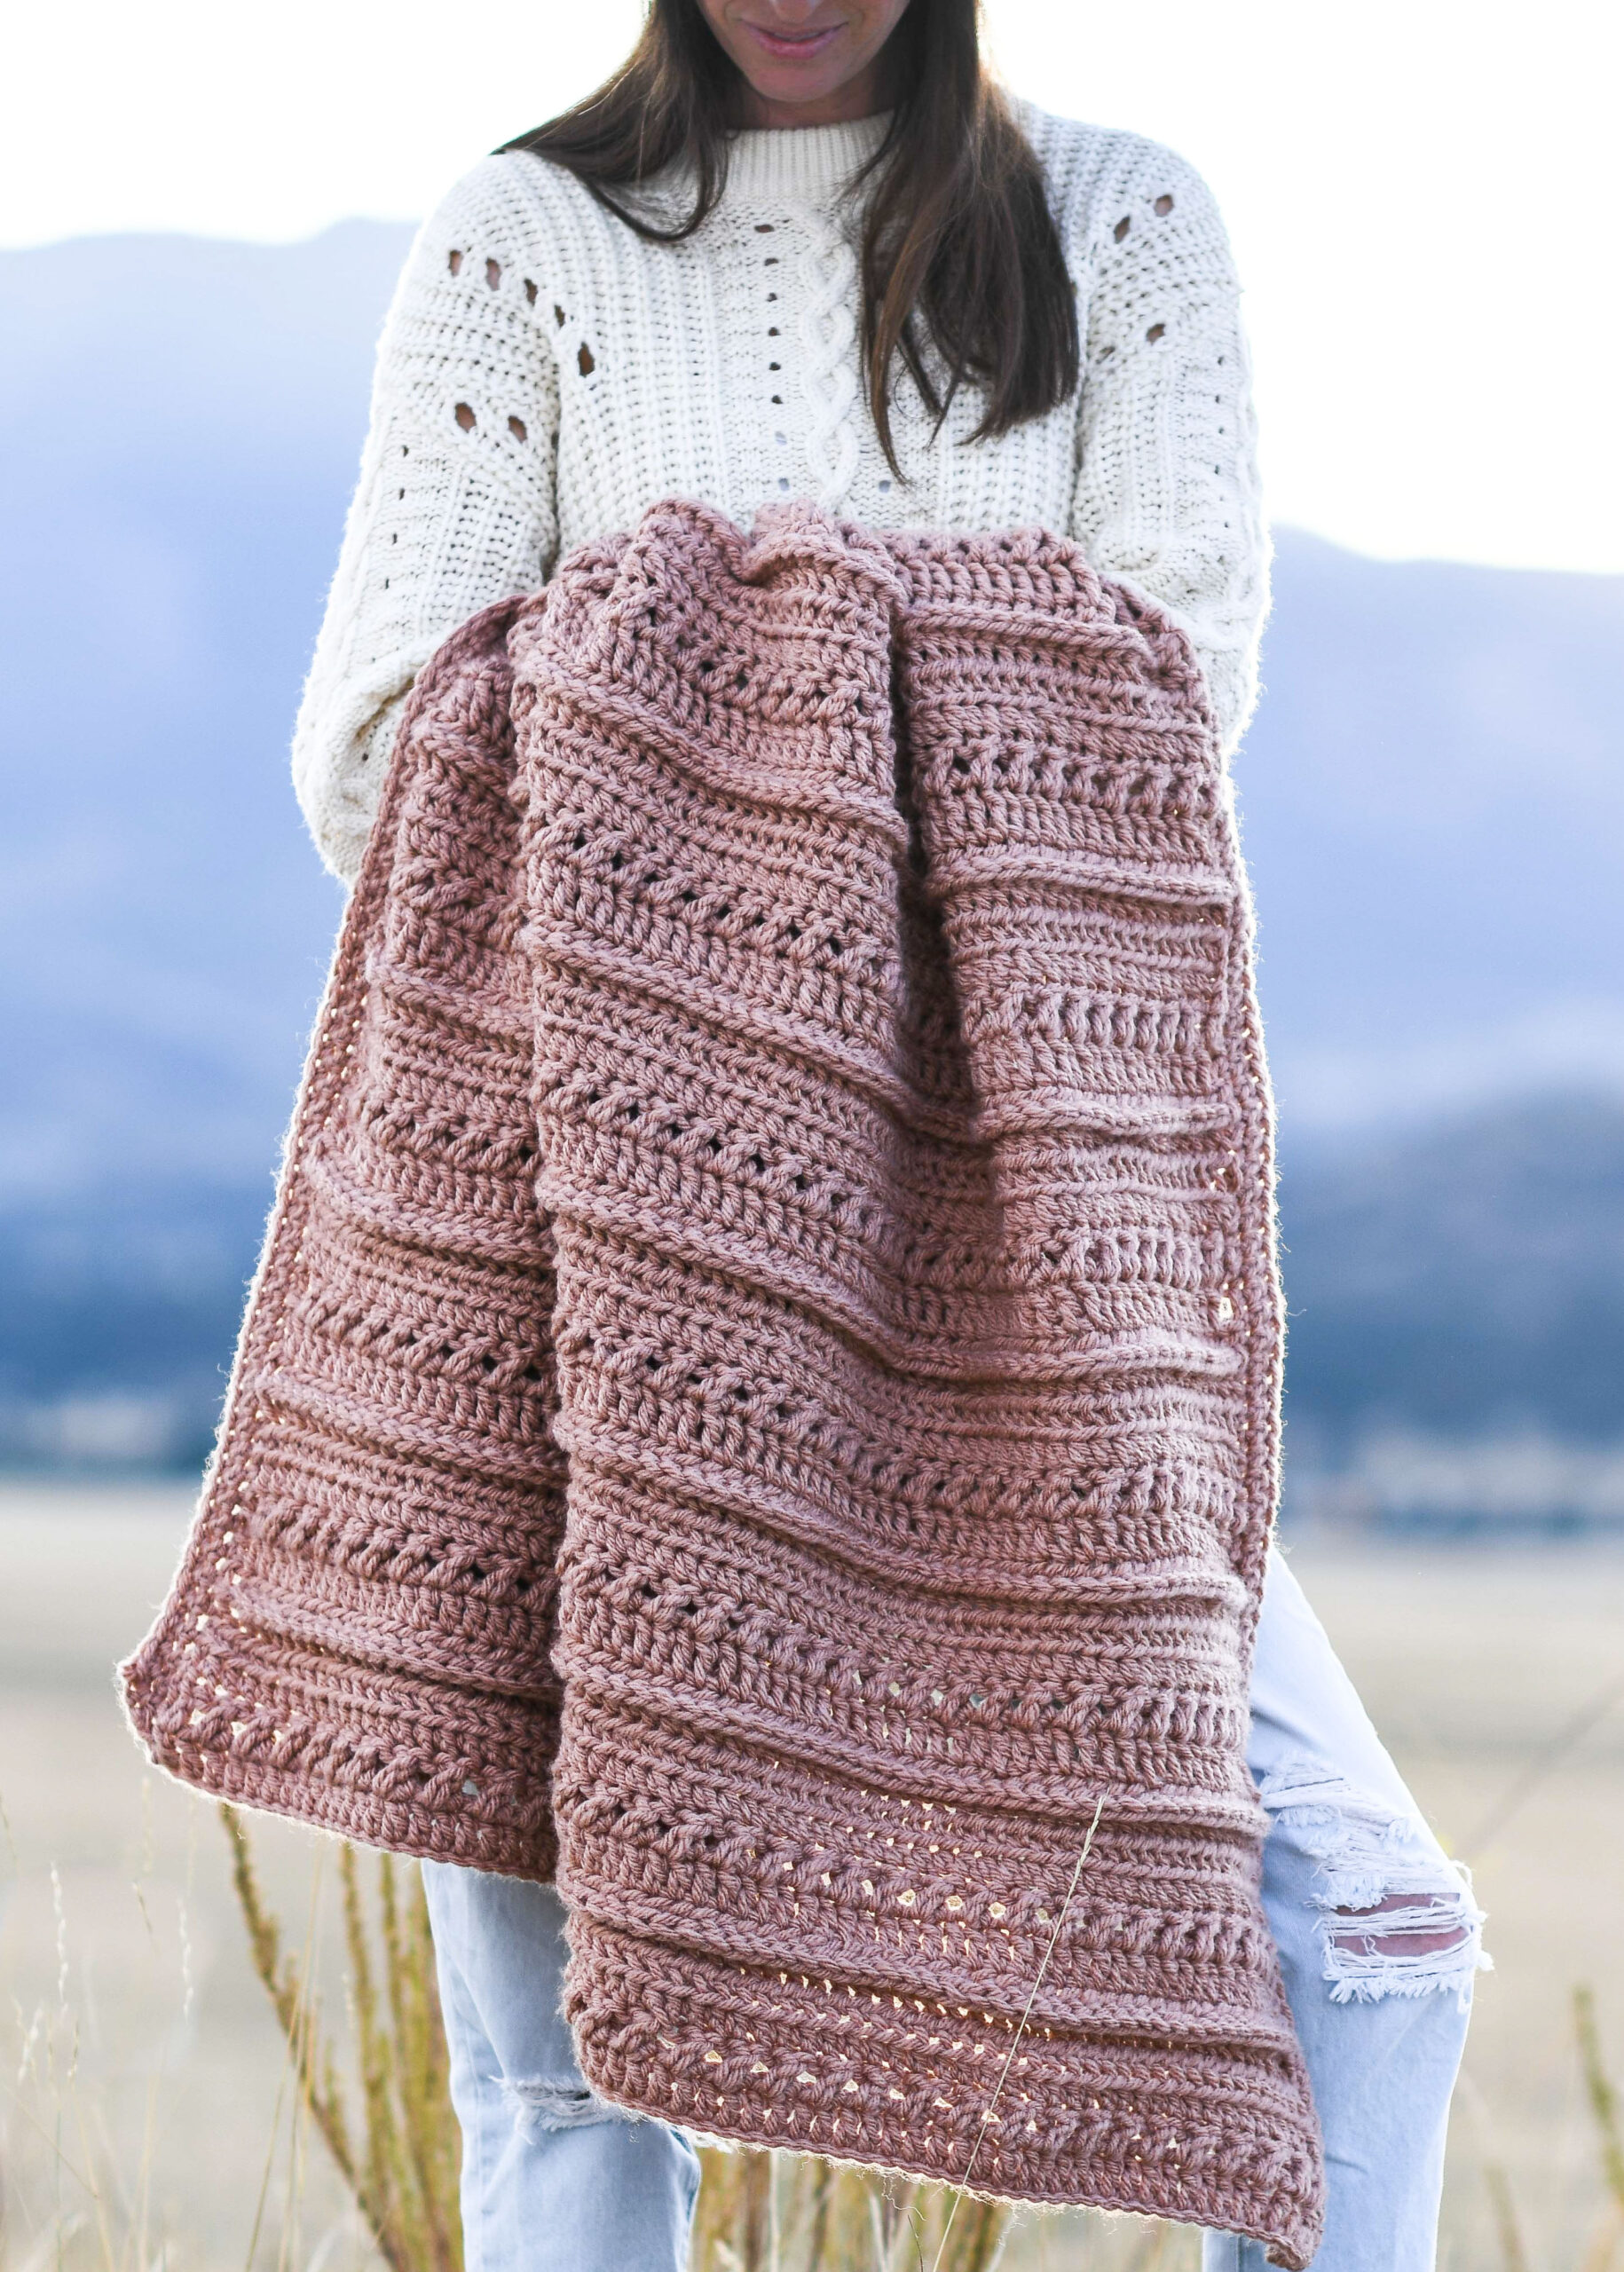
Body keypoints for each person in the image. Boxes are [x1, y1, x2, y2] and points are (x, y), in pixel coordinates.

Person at [288, 4, 1486, 2266]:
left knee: (1372, 1927)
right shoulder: (524, 239)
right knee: (564, 2073)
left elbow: (1166, 690)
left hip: (1014, 1276)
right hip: (602, 1256)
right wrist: (839, 682)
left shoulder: (1114, 226)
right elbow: (375, 743)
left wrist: (701, 637)